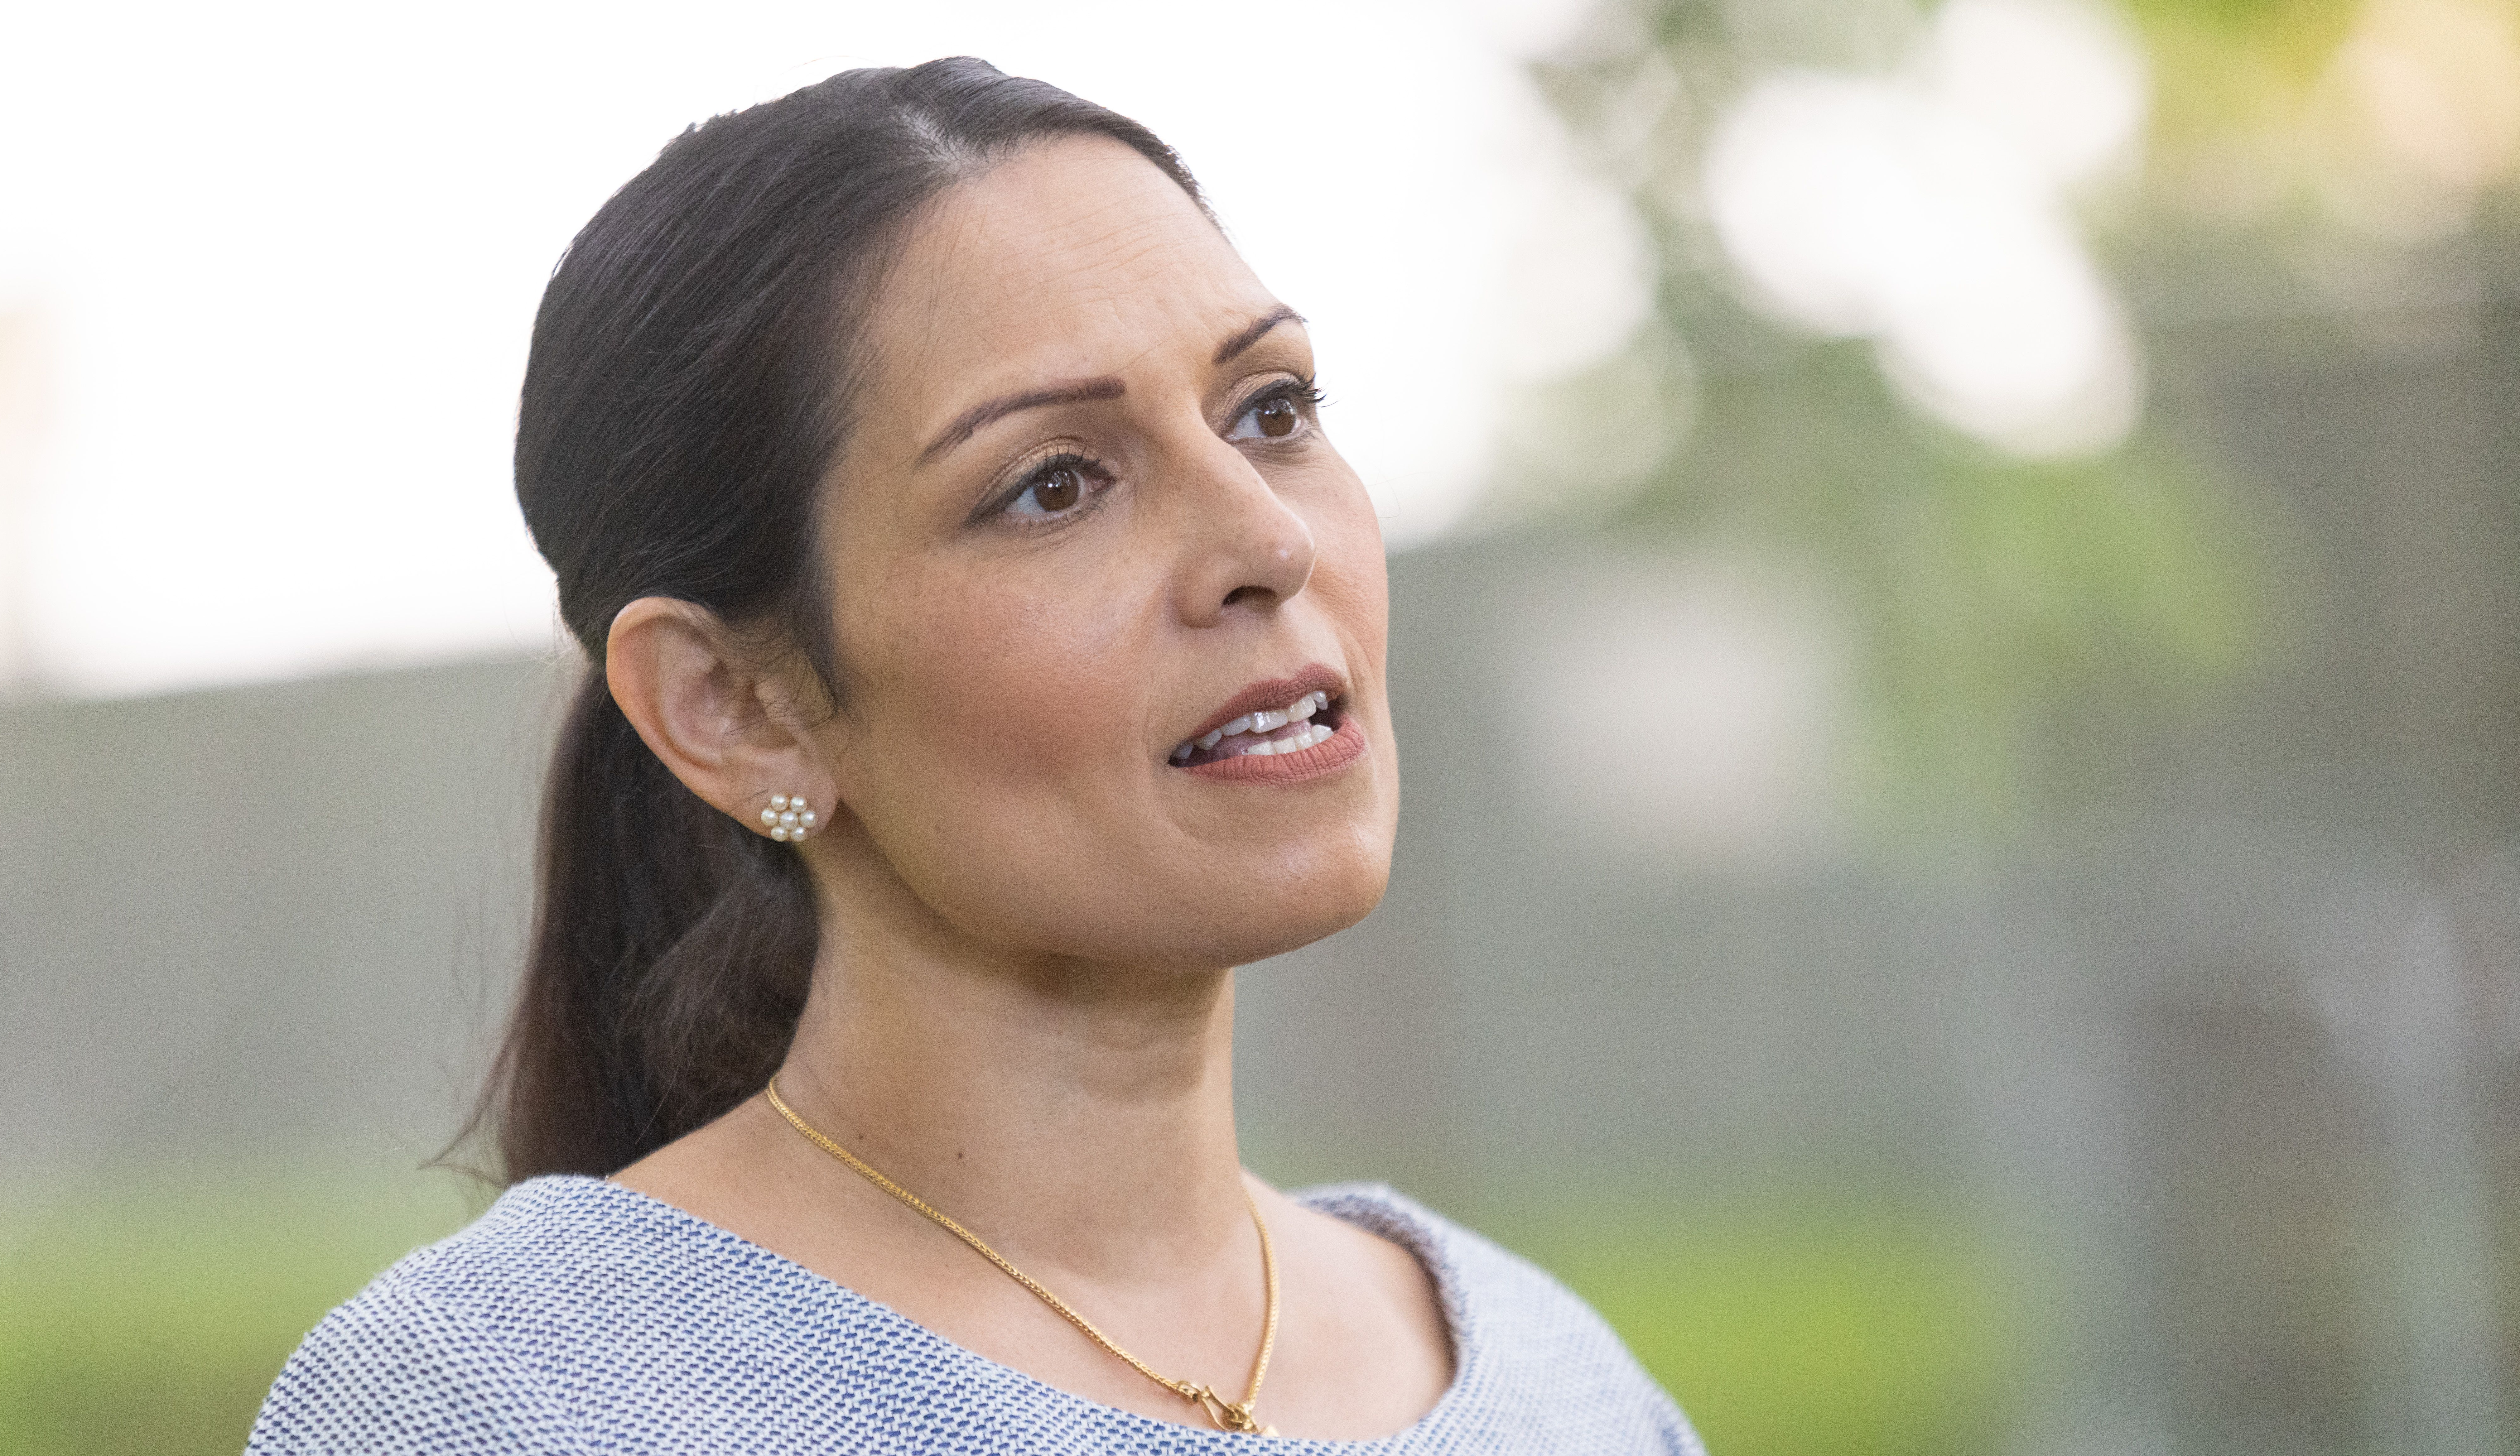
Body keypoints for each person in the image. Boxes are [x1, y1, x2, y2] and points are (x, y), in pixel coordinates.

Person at [247, 58, 1705, 1453]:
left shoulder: (1561, 1389)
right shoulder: (499, 1406)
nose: (1267, 539)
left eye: (1271, 410)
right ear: (732, 706)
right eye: (1054, 484)